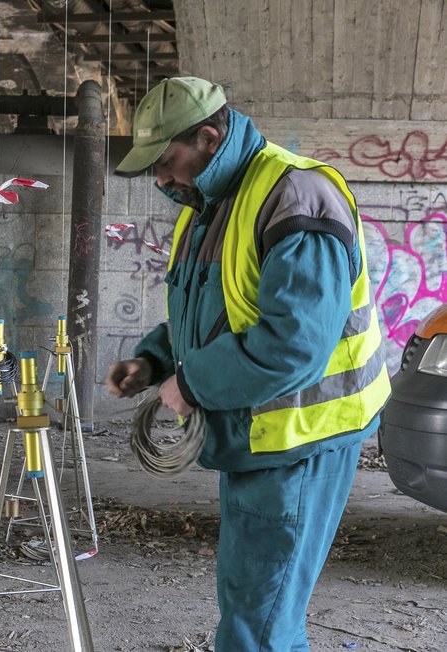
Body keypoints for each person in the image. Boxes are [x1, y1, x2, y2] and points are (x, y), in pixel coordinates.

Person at [106, 77, 390, 650]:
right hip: (258, 430)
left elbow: (293, 344)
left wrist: (194, 383)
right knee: (254, 603)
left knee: (259, 624)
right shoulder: (210, 204)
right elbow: (213, 312)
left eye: (165, 160)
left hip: (300, 436)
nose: (159, 177)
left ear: (209, 138)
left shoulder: (297, 198)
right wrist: (155, 360)